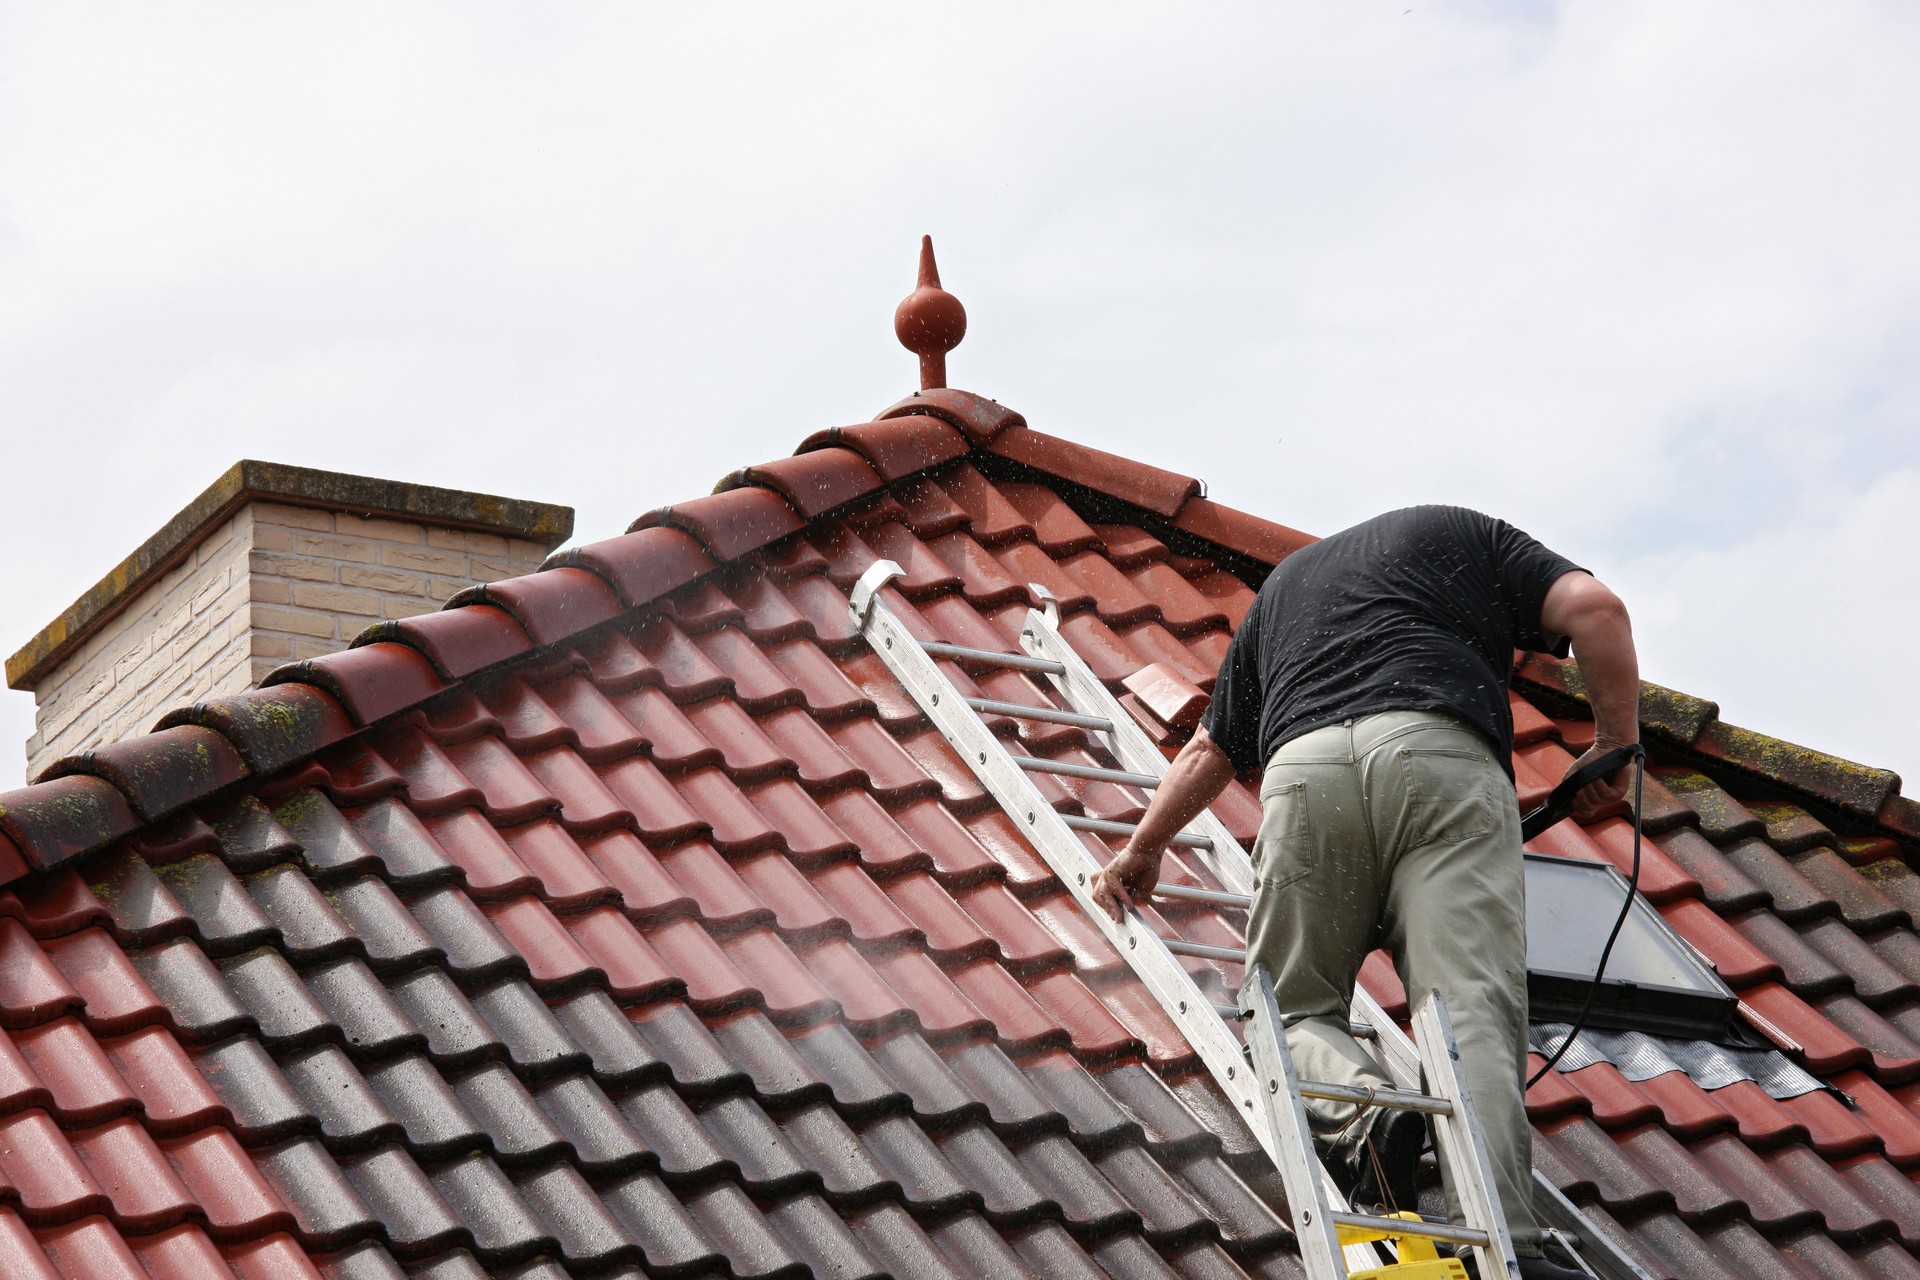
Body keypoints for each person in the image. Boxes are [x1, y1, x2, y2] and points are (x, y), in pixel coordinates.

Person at [1091, 505, 1638, 1280]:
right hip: (1439, 758)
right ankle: (1505, 1240)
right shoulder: (1465, 535)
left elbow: (1213, 745)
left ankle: (1366, 1112)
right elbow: (1596, 610)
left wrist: (1141, 849)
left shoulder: (1281, 590)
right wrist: (1616, 746)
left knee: (1289, 1005)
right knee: (1469, 1004)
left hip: (1305, 775)